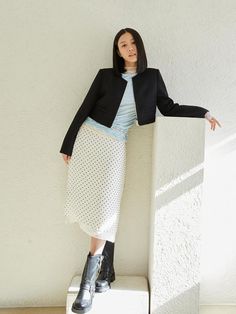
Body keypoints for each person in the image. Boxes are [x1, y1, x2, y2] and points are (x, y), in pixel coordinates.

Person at [60, 27, 221, 314]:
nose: (129, 47)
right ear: (118, 51)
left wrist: (203, 113)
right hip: (90, 139)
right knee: (93, 204)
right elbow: (84, 108)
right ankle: (105, 272)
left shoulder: (152, 77)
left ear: (139, 46)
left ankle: (88, 283)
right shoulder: (105, 76)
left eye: (132, 42)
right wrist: (68, 144)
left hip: (116, 144)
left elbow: (169, 108)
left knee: (106, 207)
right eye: (123, 44)